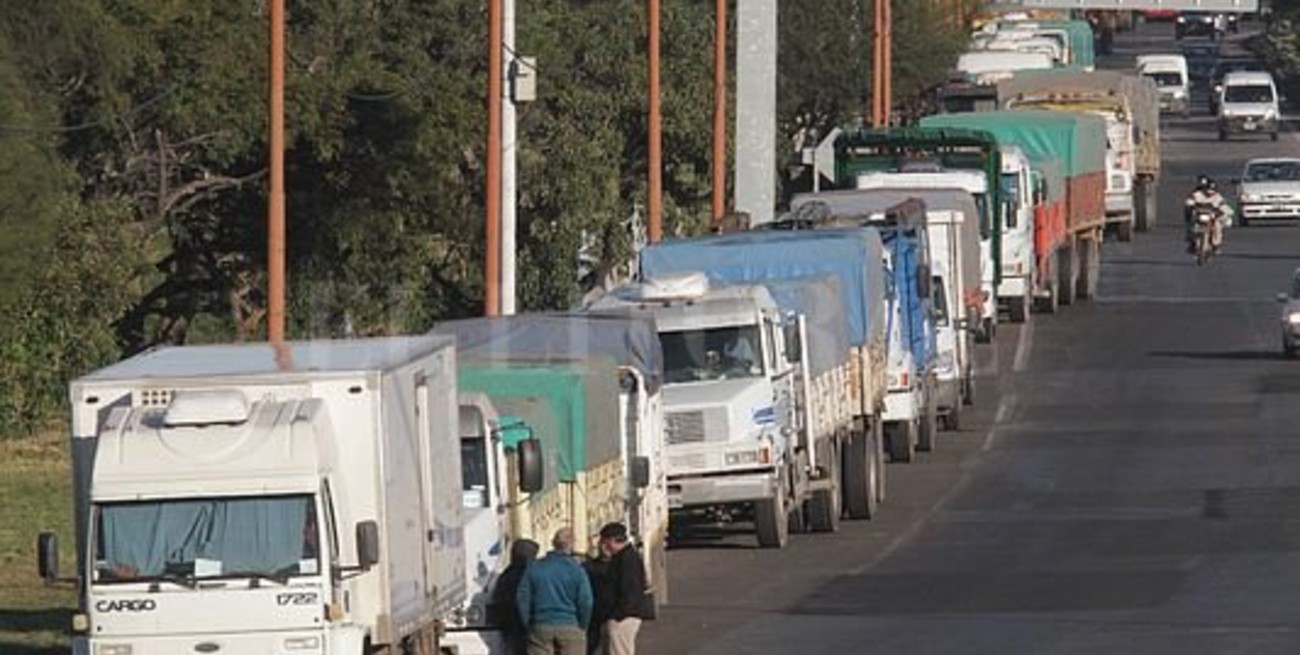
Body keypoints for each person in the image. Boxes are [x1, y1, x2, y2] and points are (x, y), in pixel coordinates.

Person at [517, 528, 593, 655]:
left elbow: (522, 597)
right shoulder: (577, 570)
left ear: (553, 543)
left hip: (541, 624)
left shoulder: (534, 567)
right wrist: (583, 624)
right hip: (570, 624)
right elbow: (586, 601)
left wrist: (528, 622)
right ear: (571, 544)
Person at [594, 523, 652, 655]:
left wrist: (616, 616)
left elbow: (629, 591)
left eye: (605, 542)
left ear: (612, 540)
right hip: (624, 615)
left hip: (623, 618)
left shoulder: (626, 560)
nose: (604, 546)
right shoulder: (625, 557)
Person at [491, 538, 540, 655]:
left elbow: (497, 598)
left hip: (510, 627)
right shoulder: (531, 573)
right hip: (529, 626)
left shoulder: (506, 575)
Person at [1185, 174, 1228, 254]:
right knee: (1191, 225)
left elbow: (1224, 207)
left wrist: (1221, 212)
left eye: (1212, 191)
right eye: (1208, 190)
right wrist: (1191, 206)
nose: (1210, 193)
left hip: (1212, 217)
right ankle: (1192, 241)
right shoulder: (1197, 194)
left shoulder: (1218, 197)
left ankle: (1216, 244)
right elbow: (1189, 202)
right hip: (1199, 216)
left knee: (1217, 226)